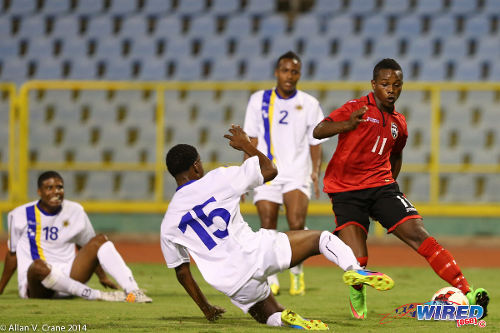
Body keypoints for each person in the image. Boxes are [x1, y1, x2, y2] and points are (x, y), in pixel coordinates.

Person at [160, 124, 395, 330]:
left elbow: (182, 273)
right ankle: (353, 269)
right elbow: (270, 171)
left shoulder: (169, 222)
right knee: (321, 239)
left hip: (232, 282)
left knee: (268, 313)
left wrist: (206, 308)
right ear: (196, 167)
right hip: (257, 252)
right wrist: (247, 146)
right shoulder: (218, 178)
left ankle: (286, 318)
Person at [313, 58, 490, 319]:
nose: (391, 89)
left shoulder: (400, 124)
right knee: (358, 260)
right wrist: (346, 125)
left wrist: (388, 191)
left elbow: (396, 156)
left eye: (397, 84)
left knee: (421, 236)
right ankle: (357, 292)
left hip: (382, 188)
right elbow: (319, 131)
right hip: (346, 191)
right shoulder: (356, 107)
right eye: (385, 84)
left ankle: (467, 291)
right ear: (374, 85)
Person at [243, 51, 326, 296]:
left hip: (298, 172)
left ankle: (297, 273)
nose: (289, 75)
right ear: (276, 72)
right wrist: (246, 176)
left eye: (294, 71)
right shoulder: (259, 100)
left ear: (299, 74)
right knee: (268, 224)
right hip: (267, 172)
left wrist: (315, 172)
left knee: (296, 224)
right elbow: (251, 141)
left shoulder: (310, 104)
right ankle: (271, 277)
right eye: (284, 70)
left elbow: (315, 141)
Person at [0, 171, 152, 303]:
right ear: (39, 191)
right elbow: (12, 255)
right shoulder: (18, 214)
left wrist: (102, 276)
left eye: (59, 187)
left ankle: (133, 290)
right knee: (38, 266)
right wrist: (1, 288)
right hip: (37, 283)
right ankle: (97, 295)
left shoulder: (75, 210)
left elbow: (87, 246)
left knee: (100, 240)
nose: (55, 191)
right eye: (49, 188)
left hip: (69, 275)